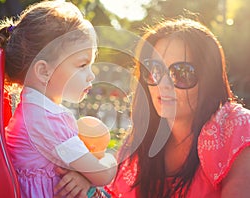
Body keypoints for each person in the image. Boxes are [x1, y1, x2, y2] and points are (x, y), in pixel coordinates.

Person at [56, 18, 250, 197]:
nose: (163, 84)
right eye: (155, 70)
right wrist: (88, 183)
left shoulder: (238, 129)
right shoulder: (140, 144)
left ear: (208, 79)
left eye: (181, 73)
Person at [0, 1, 117, 198]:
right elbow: (102, 174)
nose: (91, 75)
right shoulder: (48, 121)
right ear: (43, 71)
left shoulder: (35, 111)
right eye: (82, 64)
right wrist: (111, 159)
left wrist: (84, 176)